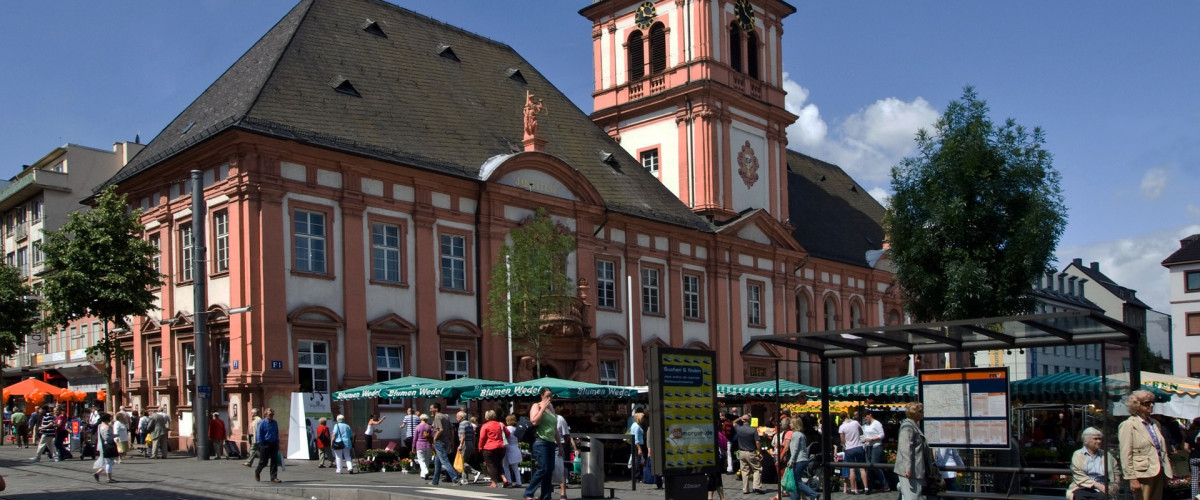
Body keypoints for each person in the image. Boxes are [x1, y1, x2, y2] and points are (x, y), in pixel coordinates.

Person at [1119, 390, 1173, 500]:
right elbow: (1125, 454)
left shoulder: (1155, 423)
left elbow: (1161, 449)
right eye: (1147, 403)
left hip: (1158, 471)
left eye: (1152, 402)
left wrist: (1166, 472)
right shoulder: (1128, 425)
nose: (1151, 405)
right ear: (1137, 405)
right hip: (1142, 473)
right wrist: (1132, 478)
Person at [524, 387, 561, 500]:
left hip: (550, 442)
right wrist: (542, 408)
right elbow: (534, 421)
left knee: (549, 469)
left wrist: (559, 444)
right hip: (540, 441)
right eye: (547, 395)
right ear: (542, 396)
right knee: (544, 468)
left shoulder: (552, 408)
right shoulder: (537, 405)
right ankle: (528, 492)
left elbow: (555, 428)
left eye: (551, 395)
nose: (549, 398)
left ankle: (546, 496)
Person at [1068, 427, 1121, 500]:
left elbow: (1116, 471)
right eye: (1095, 439)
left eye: (1100, 439)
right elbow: (1079, 475)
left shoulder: (1106, 455)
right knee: (1079, 497)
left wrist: (1115, 485)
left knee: (1101, 497)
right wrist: (1097, 485)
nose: (1099, 441)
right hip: (1082, 488)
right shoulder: (1078, 454)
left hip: (1103, 490)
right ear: (1086, 441)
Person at [894, 402, 929, 500]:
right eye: (921, 411)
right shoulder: (908, 427)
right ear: (915, 413)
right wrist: (907, 468)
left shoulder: (914, 425)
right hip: (911, 471)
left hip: (916, 470)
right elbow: (905, 448)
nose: (923, 413)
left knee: (914, 496)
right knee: (912, 497)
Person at [429, 402, 463, 486]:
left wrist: (434, 439)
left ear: (436, 409)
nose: (430, 410)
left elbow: (440, 430)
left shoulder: (437, 417)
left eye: (431, 408)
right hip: (446, 441)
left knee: (444, 460)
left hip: (439, 441)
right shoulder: (446, 416)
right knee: (437, 462)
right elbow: (451, 429)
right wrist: (451, 440)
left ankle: (455, 479)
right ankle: (435, 481)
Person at [787, 418, 820, 500]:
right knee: (796, 481)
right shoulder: (801, 434)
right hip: (803, 459)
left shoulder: (796, 435)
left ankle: (814, 494)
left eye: (791, 423)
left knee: (796, 482)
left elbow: (795, 449)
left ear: (795, 424)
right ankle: (795, 498)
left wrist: (791, 460)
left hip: (799, 460)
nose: (789, 425)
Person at [478, 409, 510, 488]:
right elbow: (508, 433)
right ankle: (504, 478)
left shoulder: (485, 425)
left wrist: (480, 447)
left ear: (487, 417)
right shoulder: (501, 424)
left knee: (491, 465)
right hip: (501, 447)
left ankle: (494, 482)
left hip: (489, 447)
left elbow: (482, 438)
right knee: (499, 463)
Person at [840, 411, 869, 494]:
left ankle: (853, 489)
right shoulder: (855, 423)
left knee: (852, 469)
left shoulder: (842, 427)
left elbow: (842, 440)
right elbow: (861, 432)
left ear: (841, 418)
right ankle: (866, 488)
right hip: (859, 446)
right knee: (862, 468)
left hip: (849, 448)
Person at [735, 413, 764, 494]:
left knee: (744, 471)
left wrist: (740, 418)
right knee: (757, 469)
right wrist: (759, 452)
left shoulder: (739, 428)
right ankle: (756, 487)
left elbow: (733, 422)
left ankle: (745, 489)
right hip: (751, 452)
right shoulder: (753, 430)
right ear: (750, 421)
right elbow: (757, 442)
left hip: (741, 452)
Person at [863, 410, 890, 492]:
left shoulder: (877, 423)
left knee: (875, 466)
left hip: (876, 446)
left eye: (866, 417)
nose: (866, 419)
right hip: (868, 446)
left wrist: (871, 439)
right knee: (868, 467)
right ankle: (870, 485)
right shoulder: (866, 425)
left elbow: (882, 435)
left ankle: (885, 485)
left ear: (870, 415)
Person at [255, 407, 282, 483]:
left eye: (272, 414)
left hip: (273, 443)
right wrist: (260, 444)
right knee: (264, 461)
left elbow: (276, 433)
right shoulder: (262, 423)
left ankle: (273, 477)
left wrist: (277, 443)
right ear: (266, 414)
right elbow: (259, 434)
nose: (271, 416)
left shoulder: (274, 423)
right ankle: (257, 471)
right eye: (270, 414)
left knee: (274, 461)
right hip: (265, 443)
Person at [556, 410, 578, 499]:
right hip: (550, 445)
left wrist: (573, 448)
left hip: (560, 445)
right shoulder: (544, 419)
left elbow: (568, 436)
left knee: (562, 468)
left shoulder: (560, 419)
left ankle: (563, 492)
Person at [92, 412, 118, 483]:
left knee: (109, 462)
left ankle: (98, 473)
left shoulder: (100, 425)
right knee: (109, 462)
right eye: (110, 418)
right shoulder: (107, 427)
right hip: (109, 445)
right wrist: (115, 435)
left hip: (105, 445)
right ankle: (109, 478)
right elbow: (107, 437)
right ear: (107, 419)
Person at [457, 411, 481, 484]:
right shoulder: (470, 424)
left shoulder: (462, 424)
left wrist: (460, 445)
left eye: (457, 416)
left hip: (464, 443)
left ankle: (475, 472)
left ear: (461, 417)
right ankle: (464, 479)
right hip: (470, 442)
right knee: (465, 461)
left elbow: (463, 435)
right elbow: (473, 435)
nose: (456, 418)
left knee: (462, 461)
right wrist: (473, 445)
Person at [504, 413, 524, 488]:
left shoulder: (507, 429)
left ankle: (509, 481)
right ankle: (518, 482)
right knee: (515, 467)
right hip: (516, 447)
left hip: (508, 448)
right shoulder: (516, 429)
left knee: (505, 465)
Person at [413, 413, 434, 480]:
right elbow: (432, 436)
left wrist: (413, 447)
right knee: (427, 460)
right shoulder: (429, 427)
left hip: (419, 445)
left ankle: (426, 471)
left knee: (421, 460)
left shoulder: (417, 427)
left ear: (420, 419)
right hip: (428, 445)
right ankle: (423, 475)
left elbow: (415, 438)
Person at [1186, 417, 1200, 500]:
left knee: (1195, 478)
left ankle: (1194, 497)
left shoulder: (1190, 434)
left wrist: (1191, 451)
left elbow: (1186, 447)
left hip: (1193, 457)